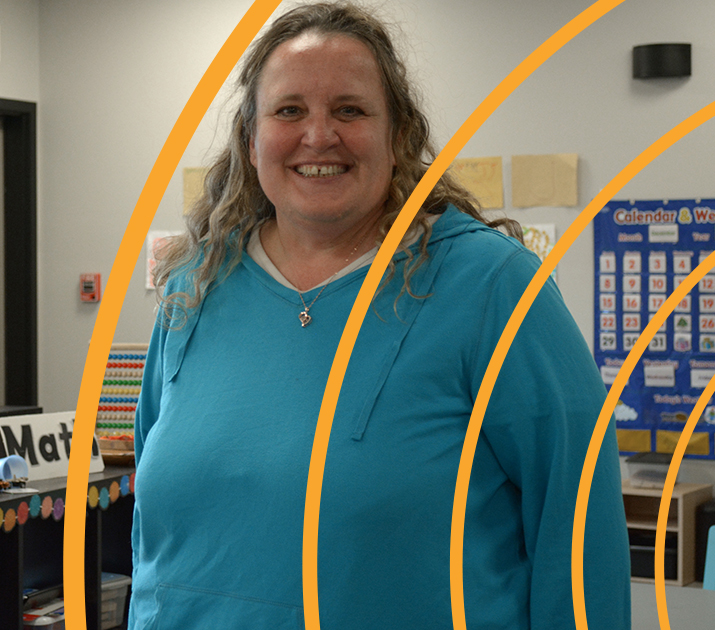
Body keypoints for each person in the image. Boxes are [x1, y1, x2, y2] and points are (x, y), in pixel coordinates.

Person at [130, 3, 629, 629]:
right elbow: (154, 534)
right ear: (251, 140)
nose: (318, 135)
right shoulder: (194, 289)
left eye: (350, 109)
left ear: (397, 137)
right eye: (289, 111)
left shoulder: (492, 287)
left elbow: (577, 528)